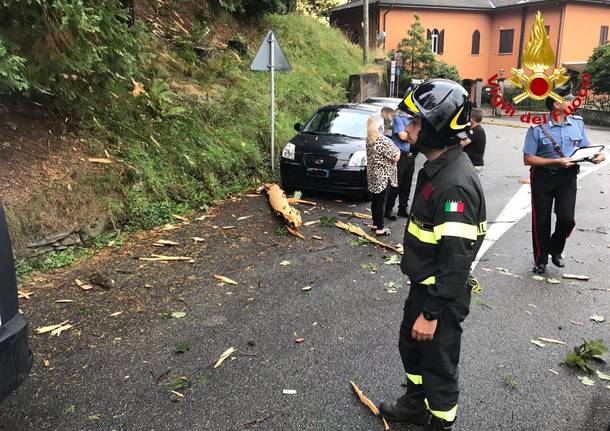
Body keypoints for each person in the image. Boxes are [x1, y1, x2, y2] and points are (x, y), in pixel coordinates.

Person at [379, 80, 487, 431]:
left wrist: (431, 312)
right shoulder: (435, 168)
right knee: (411, 348)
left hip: (440, 294)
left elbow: (457, 261)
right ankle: (415, 404)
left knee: (438, 363)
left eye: (415, 123)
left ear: (438, 127)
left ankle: (440, 421)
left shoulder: (454, 184)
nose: (406, 130)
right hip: (424, 287)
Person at [523, 82, 605, 275]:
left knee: (567, 218)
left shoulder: (577, 122)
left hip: (568, 177)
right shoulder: (537, 127)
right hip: (543, 177)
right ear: (556, 104)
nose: (572, 101)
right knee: (541, 220)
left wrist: (597, 156)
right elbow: (528, 159)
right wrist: (556, 162)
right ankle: (541, 259)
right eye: (567, 99)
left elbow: (586, 146)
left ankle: (555, 249)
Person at [366, 115, 400, 236]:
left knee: (375, 200)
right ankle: (380, 227)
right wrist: (398, 153)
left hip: (373, 175)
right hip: (384, 176)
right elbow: (395, 156)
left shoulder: (369, 139)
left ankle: (375, 223)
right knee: (381, 202)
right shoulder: (383, 140)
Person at [385, 109, 417, 219]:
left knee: (406, 185)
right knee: (395, 184)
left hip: (410, 156)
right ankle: (388, 209)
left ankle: (402, 209)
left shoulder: (413, 119)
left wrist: (412, 137)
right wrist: (413, 137)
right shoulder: (399, 118)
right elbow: (402, 136)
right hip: (399, 156)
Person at [461, 108, 486, 175]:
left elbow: (463, 143)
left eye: (469, 116)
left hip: (475, 165)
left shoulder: (477, 130)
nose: (467, 118)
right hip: (470, 163)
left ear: (473, 118)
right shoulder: (472, 129)